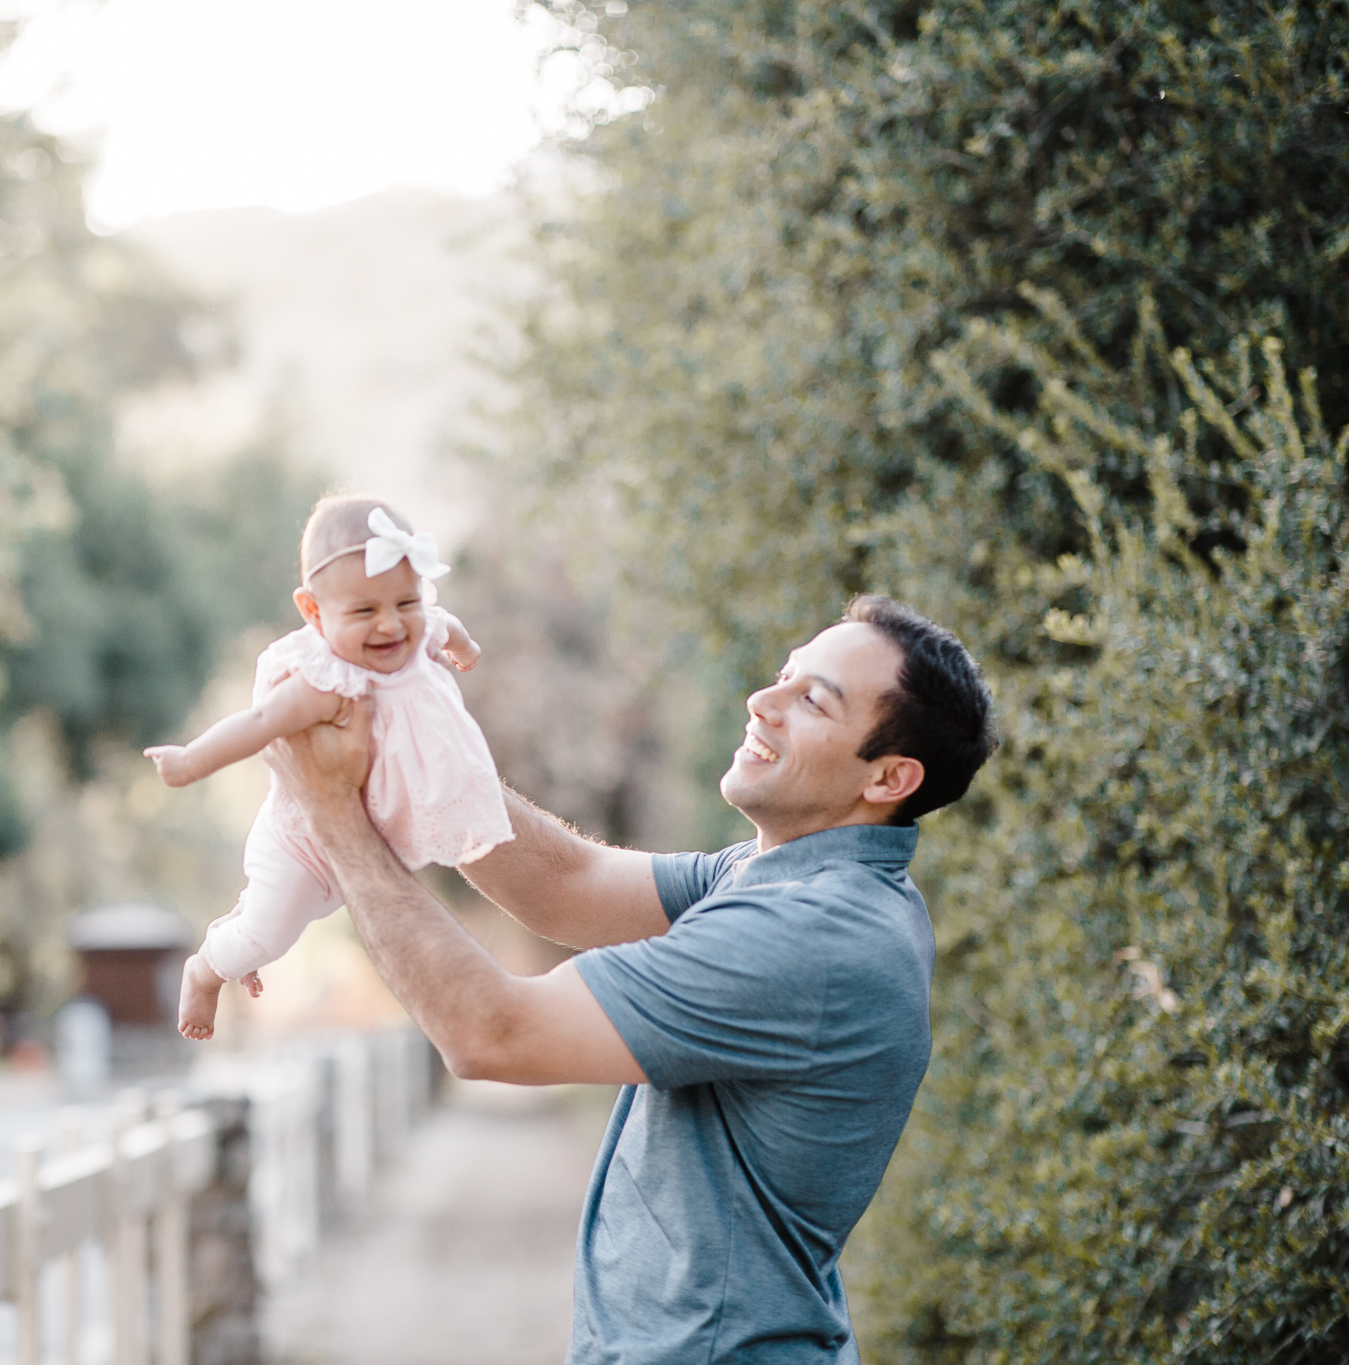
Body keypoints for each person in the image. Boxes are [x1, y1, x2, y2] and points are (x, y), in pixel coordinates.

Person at [264, 594, 998, 1363]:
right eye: (785, 675)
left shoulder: (813, 935)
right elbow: (567, 882)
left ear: (888, 778)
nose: (762, 701)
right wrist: (398, 722)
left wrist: (331, 812)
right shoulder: (772, 877)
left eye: (811, 699)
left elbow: (491, 1032)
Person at [144, 495, 512, 1040]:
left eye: (405, 602)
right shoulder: (324, 680)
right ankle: (203, 971)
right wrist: (190, 761)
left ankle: (239, 931)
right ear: (314, 612)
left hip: (358, 844)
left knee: (289, 922)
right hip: (300, 847)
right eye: (364, 611)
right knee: (269, 936)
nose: (390, 625)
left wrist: (467, 649)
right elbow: (259, 722)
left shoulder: (421, 627)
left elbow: (446, 626)